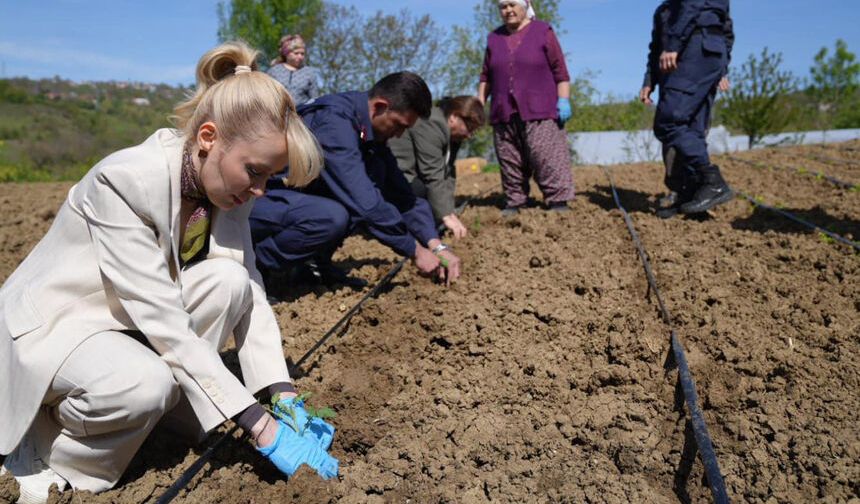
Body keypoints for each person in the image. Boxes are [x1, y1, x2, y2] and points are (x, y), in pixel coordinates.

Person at [0, 41, 338, 503]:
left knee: (229, 281)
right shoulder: (124, 182)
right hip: (58, 324)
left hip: (120, 318)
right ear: (207, 139)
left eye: (268, 178)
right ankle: (57, 465)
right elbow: (164, 321)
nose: (260, 190)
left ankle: (173, 426)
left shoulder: (225, 186)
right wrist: (261, 427)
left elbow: (251, 290)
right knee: (143, 383)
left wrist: (283, 396)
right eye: (255, 172)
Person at [250, 72, 462, 294]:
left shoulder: (370, 134)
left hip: (293, 202)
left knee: (372, 181)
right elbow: (364, 202)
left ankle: (312, 265)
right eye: (399, 125)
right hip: (261, 199)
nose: (399, 135)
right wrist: (415, 250)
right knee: (334, 215)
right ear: (380, 107)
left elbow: (404, 197)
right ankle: (256, 266)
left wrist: (436, 245)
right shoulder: (335, 122)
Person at [478, 0, 575, 216]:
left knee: (545, 155)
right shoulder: (494, 38)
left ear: (525, 5)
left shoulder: (543, 31)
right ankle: (516, 200)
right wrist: (479, 102)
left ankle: (558, 200)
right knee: (509, 157)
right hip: (503, 109)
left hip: (540, 108)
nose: (508, 10)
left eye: (513, 5)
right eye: (503, 7)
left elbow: (560, 71)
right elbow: (486, 76)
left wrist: (564, 99)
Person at [651, 0, 734, 215]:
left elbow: (694, 7)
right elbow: (724, 26)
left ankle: (711, 180)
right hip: (706, 53)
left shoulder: (678, 10)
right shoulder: (663, 10)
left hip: (695, 50)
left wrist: (673, 45)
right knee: (692, 127)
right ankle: (692, 195)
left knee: (669, 122)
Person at [388, 95, 486, 239]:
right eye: (469, 128)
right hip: (394, 176)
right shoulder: (432, 123)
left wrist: (449, 210)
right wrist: (445, 216)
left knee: (433, 198)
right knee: (422, 190)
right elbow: (432, 174)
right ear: (454, 116)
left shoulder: (453, 136)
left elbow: (448, 172)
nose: (470, 135)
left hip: (413, 176)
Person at [267, 34, 320, 105]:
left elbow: (315, 99)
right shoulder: (274, 71)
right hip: (277, 113)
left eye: (302, 54)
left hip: (302, 114)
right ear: (286, 54)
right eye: (296, 53)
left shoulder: (309, 73)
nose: (300, 56)